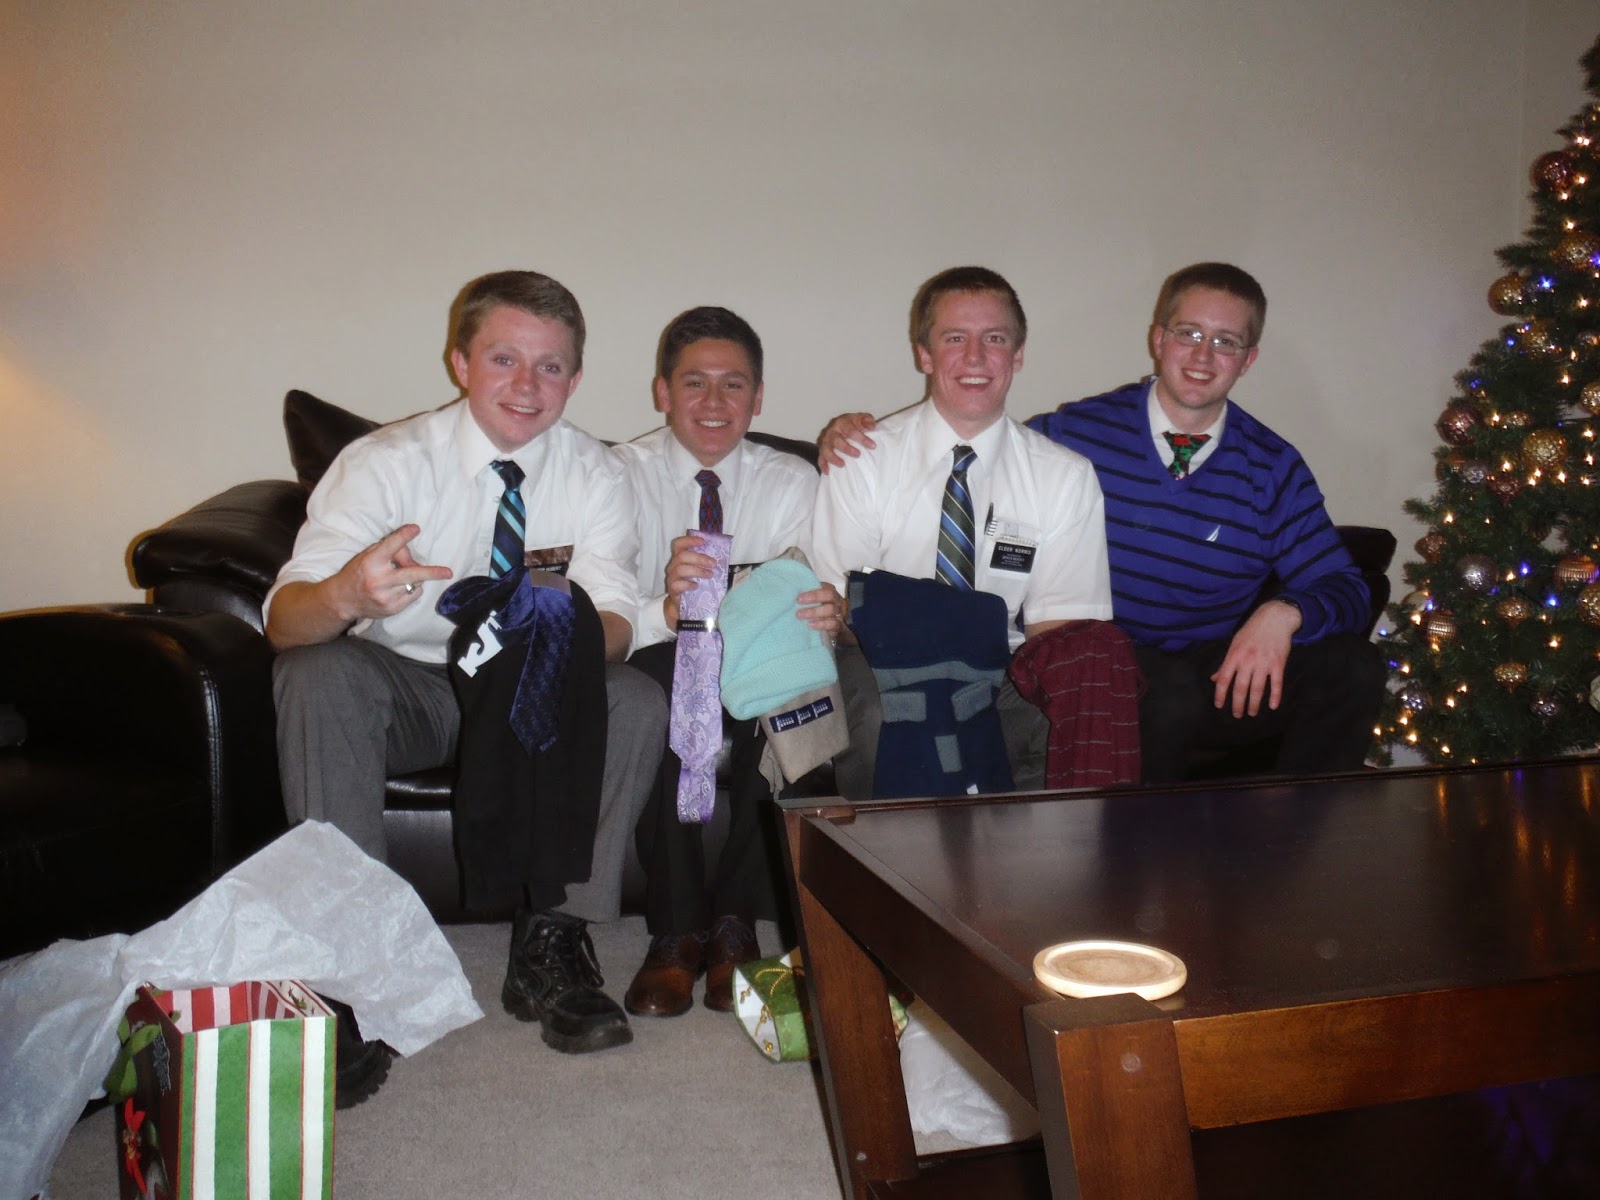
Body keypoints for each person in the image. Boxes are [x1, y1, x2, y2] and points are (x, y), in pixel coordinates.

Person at [266, 270, 666, 1057]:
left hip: (531, 687)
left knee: (633, 697)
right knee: (312, 673)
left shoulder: (597, 473)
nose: (527, 386)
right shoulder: (383, 463)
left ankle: (553, 942)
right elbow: (284, 623)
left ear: (575, 379)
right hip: (410, 687)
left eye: (550, 366)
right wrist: (346, 594)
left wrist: (561, 635)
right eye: (503, 359)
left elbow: (619, 618)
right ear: (460, 362)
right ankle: (352, 963)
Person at [823, 262, 1382, 782]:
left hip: (1217, 664)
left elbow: (1346, 584)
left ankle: (1301, 832)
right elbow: (980, 435)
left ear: (1248, 358)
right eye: (1189, 333)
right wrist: (845, 435)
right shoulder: (1077, 435)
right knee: (1158, 692)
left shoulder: (1272, 467)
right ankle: (1135, 849)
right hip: (1112, 662)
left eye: (1225, 341)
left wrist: (1284, 613)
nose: (1203, 355)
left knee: (1355, 666)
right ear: (1158, 339)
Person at [613, 306, 843, 1017]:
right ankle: (677, 929)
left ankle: (737, 922)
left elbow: (816, 588)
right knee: (673, 688)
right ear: (662, 391)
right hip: (655, 648)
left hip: (757, 658)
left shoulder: (793, 480)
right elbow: (605, 604)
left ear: (758, 396)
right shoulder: (618, 474)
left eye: (733, 384)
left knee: (775, 689)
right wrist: (666, 602)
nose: (714, 402)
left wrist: (830, 610)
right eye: (694, 383)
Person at [809, 266, 1113, 799]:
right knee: (884, 714)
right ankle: (877, 854)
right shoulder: (862, 459)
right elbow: (842, 613)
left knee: (1068, 715)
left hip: (1003, 669)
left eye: (994, 338)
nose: (975, 357)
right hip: (884, 663)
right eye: (954, 338)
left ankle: (1023, 854)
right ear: (924, 355)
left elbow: (1058, 634)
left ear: (1018, 354)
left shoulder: (1064, 476)